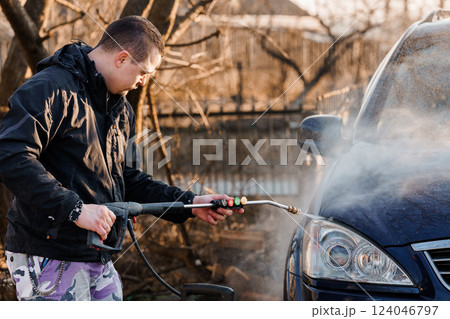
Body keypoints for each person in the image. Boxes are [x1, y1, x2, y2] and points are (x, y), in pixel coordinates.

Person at [0, 16, 243, 301]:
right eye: (144, 72)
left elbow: (127, 178)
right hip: (47, 251)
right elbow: (11, 155)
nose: (143, 82)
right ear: (122, 58)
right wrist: (77, 210)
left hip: (98, 254)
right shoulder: (51, 88)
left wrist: (189, 204)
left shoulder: (121, 109)